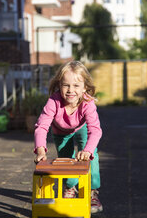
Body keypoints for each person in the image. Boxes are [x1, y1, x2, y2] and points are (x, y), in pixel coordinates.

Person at [34, 61, 103, 213]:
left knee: (92, 155)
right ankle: (70, 187)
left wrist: (88, 151)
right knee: (66, 159)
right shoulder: (54, 101)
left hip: (82, 127)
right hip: (61, 131)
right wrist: (40, 150)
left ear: (85, 87)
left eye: (76, 86)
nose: (71, 90)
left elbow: (96, 130)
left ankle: (92, 192)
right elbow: (42, 126)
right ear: (60, 85)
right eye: (66, 85)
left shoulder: (88, 103)